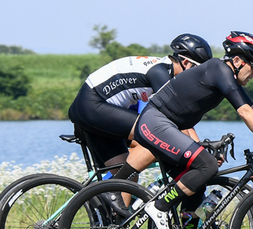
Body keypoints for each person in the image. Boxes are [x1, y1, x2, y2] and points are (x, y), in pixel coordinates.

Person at [113, 31, 253, 229]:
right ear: (237, 61)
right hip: (155, 122)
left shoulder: (227, 76)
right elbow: (244, 113)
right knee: (208, 166)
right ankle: (159, 207)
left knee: (198, 182)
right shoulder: (219, 69)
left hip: (166, 125)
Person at [68, 33, 213, 170]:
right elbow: (173, 120)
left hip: (95, 107)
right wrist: (196, 153)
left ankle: (96, 195)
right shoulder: (160, 73)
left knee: (126, 177)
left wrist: (198, 147)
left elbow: (183, 120)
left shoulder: (167, 72)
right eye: (198, 71)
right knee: (156, 136)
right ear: (186, 63)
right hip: (92, 104)